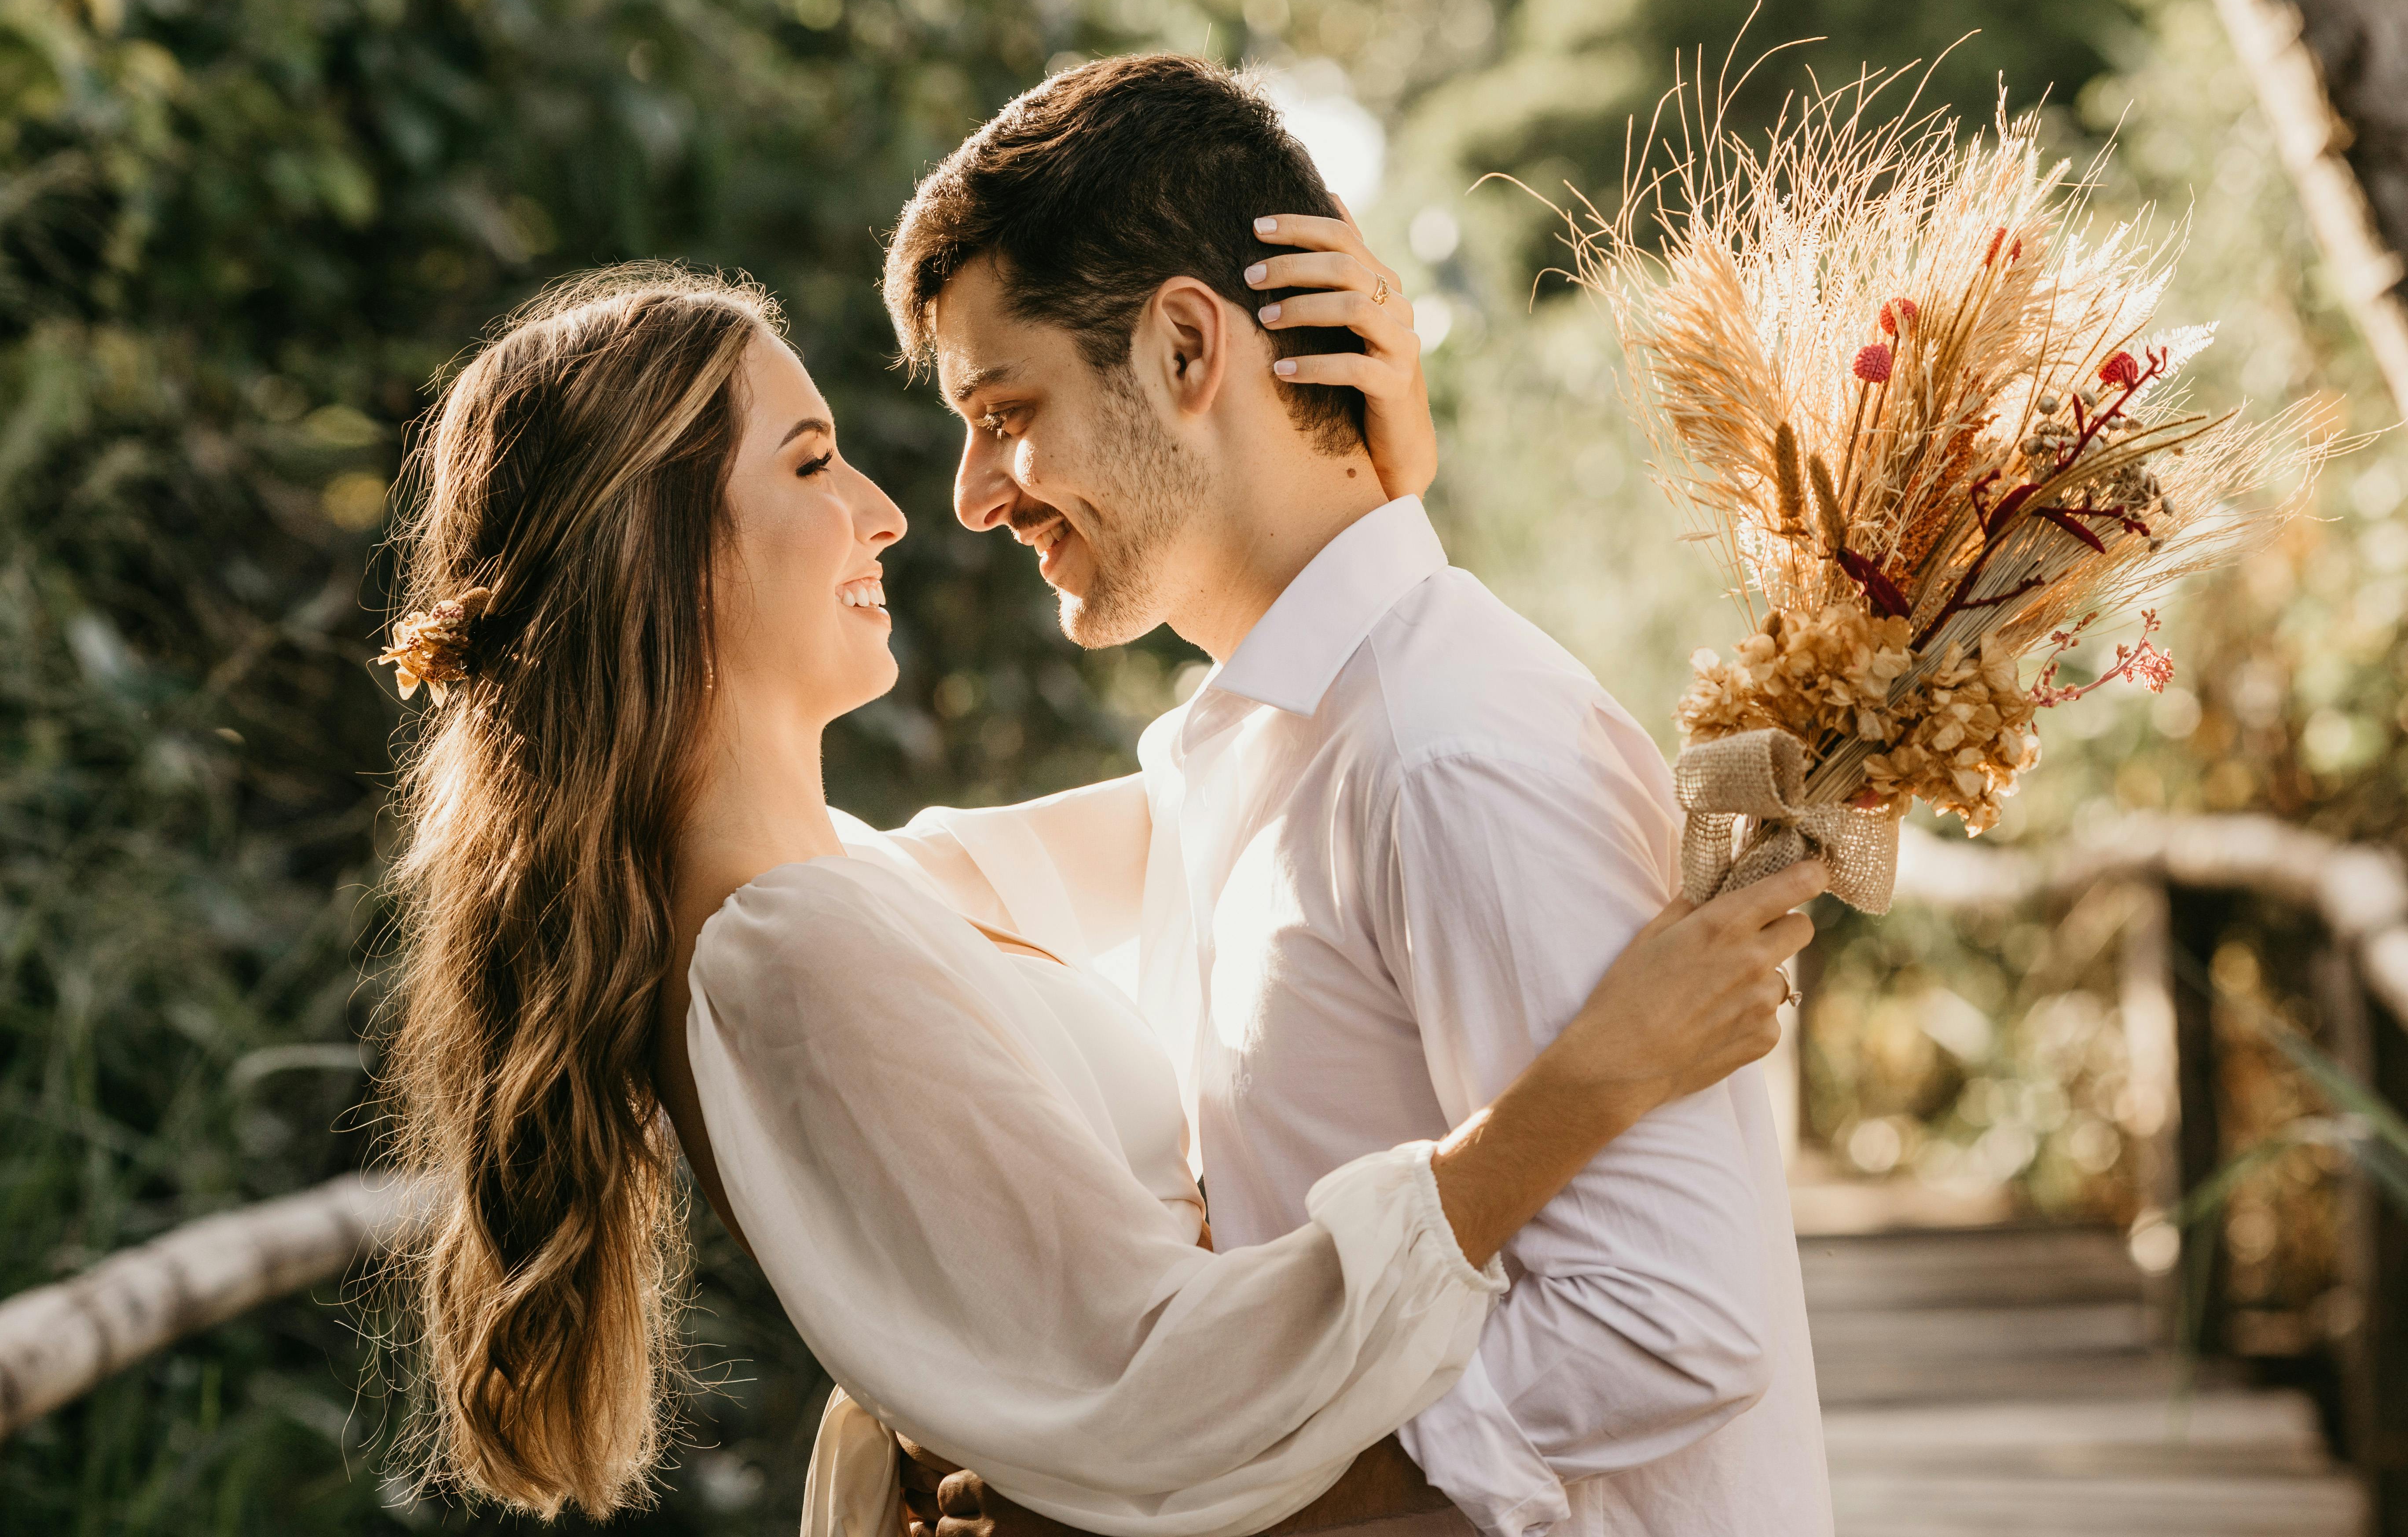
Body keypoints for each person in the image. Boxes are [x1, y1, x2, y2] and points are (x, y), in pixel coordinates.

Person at [373, 261, 1822, 1528]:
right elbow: (1156, 1374)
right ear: (661, 548)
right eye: (811, 464)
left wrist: (1363, 510)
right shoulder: (789, 951)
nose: (889, 511)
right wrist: (1585, 1088)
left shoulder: (856, 888)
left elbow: (1257, 780)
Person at [861, 54, 1833, 1537]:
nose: (974, 493)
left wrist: (1175, 1518)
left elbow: (1669, 1321)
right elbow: (888, 893)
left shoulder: (1452, 753)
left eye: (1007, 408)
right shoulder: (1249, 743)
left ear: (1190, 349)